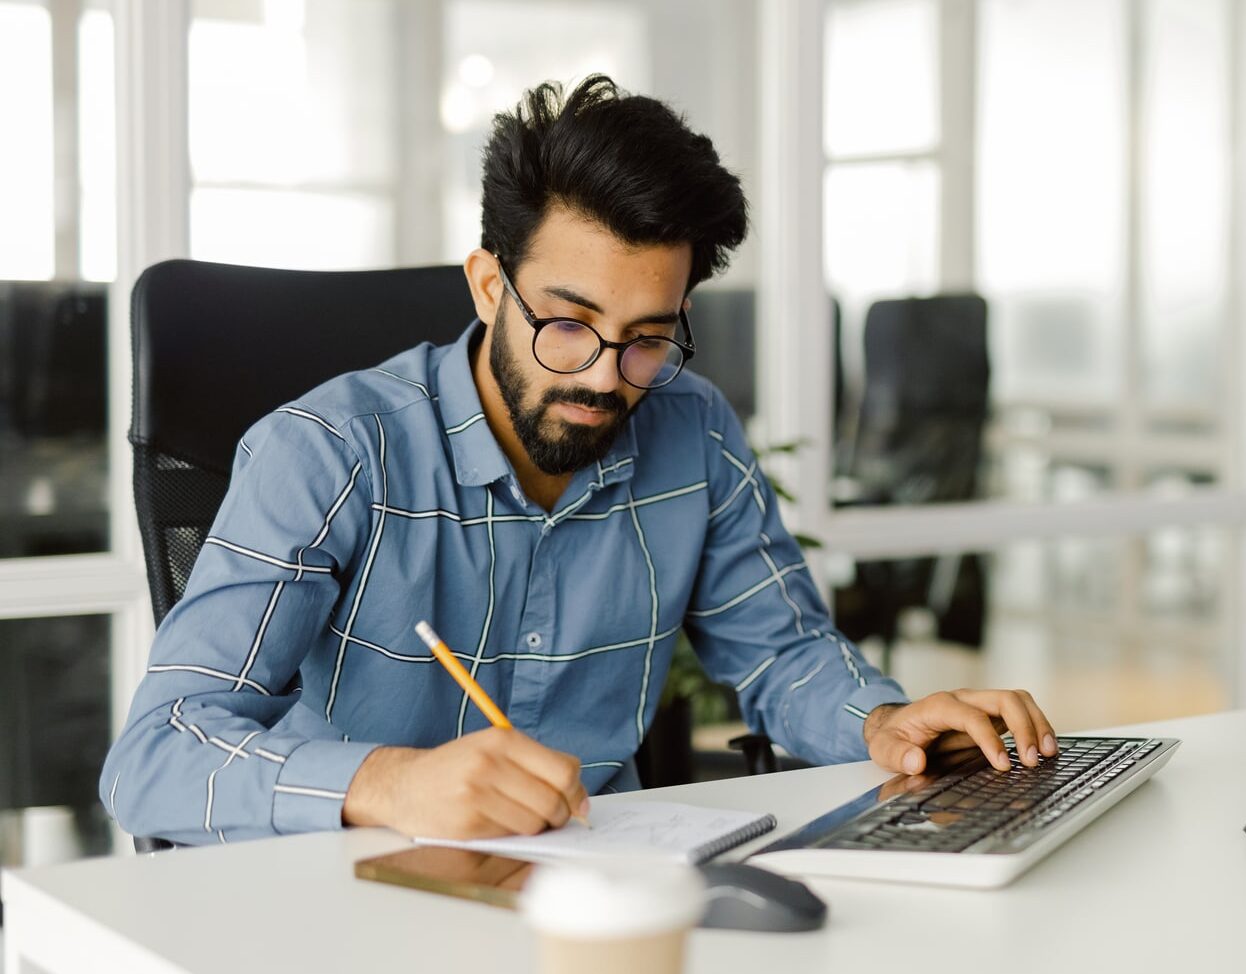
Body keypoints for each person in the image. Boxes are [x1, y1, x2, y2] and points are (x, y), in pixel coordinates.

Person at [100, 76, 1057, 846]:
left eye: (647, 336)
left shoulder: (693, 427)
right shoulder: (329, 452)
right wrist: (393, 783)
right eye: (567, 323)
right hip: (343, 888)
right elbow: (154, 755)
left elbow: (781, 652)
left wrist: (878, 724)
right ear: (488, 287)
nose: (604, 378)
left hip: (592, 885)